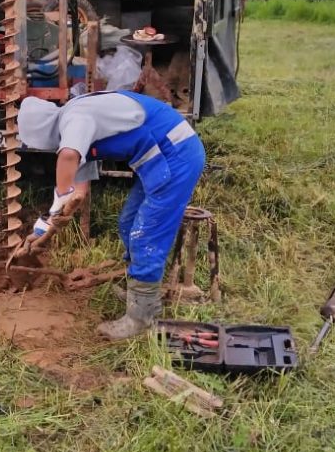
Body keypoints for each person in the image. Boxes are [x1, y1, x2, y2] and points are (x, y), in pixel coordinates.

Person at [18, 90, 206, 341]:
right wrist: (40, 231)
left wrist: (61, 192)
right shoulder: (77, 137)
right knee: (128, 223)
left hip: (178, 155)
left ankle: (141, 318)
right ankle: (139, 293)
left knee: (145, 235)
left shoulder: (75, 118)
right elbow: (76, 195)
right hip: (156, 160)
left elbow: (67, 158)